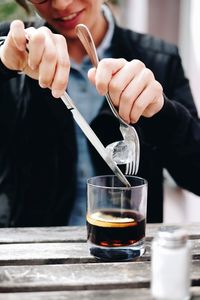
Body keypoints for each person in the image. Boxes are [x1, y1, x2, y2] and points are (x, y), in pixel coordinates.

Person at [0, 0, 199, 227]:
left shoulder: (161, 59)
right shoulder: (10, 47)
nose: (62, 4)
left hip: (127, 247)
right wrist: (5, 65)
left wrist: (163, 112)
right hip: (30, 250)